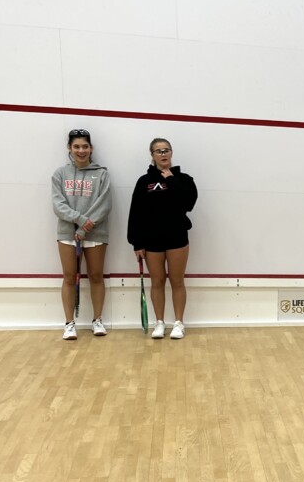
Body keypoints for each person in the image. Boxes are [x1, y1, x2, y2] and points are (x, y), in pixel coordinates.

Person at [127, 138, 198, 339]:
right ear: (152, 155)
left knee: (177, 281)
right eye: (158, 151)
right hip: (151, 241)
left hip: (177, 238)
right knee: (157, 282)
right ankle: (159, 323)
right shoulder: (144, 182)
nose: (163, 154)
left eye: (166, 150)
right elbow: (136, 213)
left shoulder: (184, 179)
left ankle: (178, 323)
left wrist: (171, 179)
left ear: (171, 153)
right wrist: (136, 242)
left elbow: (188, 203)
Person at [51, 128, 112, 340]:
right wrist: (79, 221)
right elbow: (58, 205)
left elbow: (104, 205)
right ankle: (69, 324)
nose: (81, 150)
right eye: (76, 146)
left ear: (91, 148)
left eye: (85, 146)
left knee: (96, 276)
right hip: (67, 234)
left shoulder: (102, 174)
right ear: (69, 148)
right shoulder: (60, 174)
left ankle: (97, 320)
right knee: (69, 277)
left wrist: (85, 226)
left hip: (95, 233)